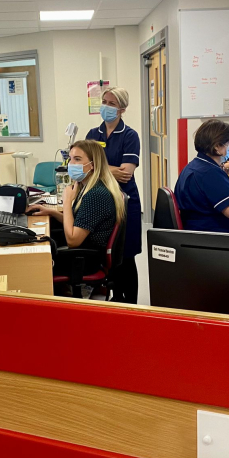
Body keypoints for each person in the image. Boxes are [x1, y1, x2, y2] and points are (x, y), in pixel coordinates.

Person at [27, 140, 124, 273]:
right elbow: (77, 222)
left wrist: (67, 202)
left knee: (31, 262)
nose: (71, 164)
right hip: (82, 254)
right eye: (70, 159)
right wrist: (51, 212)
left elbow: (73, 240)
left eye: (77, 159)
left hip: (84, 260)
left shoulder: (95, 194)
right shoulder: (87, 186)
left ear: (93, 165)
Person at [85, 87, 141, 304]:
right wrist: (109, 170)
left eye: (112, 104)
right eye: (105, 101)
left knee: (126, 256)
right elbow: (85, 167)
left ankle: (133, 303)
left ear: (122, 109)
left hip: (125, 202)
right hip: (100, 202)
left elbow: (126, 174)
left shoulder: (130, 135)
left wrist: (98, 168)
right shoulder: (93, 134)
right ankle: (116, 299)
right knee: (107, 255)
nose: (106, 107)